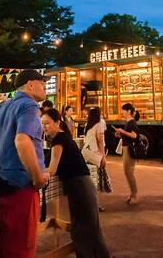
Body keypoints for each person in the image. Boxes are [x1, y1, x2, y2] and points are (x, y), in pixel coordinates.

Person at [0, 69, 49, 258]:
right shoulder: (29, 106)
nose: (45, 88)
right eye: (43, 84)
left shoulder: (3, 106)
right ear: (31, 84)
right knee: (22, 247)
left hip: (2, 183)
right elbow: (22, 140)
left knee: (7, 243)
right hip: (21, 186)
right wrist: (37, 177)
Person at [43, 108, 111, 258]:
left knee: (84, 230)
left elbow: (52, 170)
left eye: (47, 123)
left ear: (57, 122)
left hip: (80, 186)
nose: (44, 127)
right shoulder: (63, 137)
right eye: (42, 124)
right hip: (81, 185)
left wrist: (35, 173)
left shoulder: (59, 139)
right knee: (90, 228)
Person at [114, 103, 140, 205]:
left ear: (129, 111)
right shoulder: (129, 122)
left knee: (128, 172)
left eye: (124, 110)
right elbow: (129, 136)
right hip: (127, 148)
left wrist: (122, 132)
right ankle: (132, 193)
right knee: (128, 172)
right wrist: (120, 134)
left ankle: (134, 194)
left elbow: (134, 136)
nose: (122, 112)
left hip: (129, 149)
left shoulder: (131, 122)